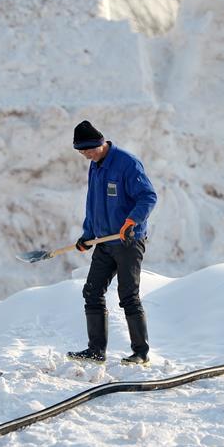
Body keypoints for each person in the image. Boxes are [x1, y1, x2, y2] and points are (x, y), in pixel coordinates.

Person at [67, 120, 158, 366]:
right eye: (81, 152)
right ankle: (96, 351)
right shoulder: (95, 166)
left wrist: (131, 222)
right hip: (105, 242)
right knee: (92, 291)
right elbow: (94, 204)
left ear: (100, 143)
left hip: (128, 241)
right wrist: (88, 235)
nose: (85, 156)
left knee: (128, 295)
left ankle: (141, 352)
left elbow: (148, 197)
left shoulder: (127, 164)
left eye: (88, 150)